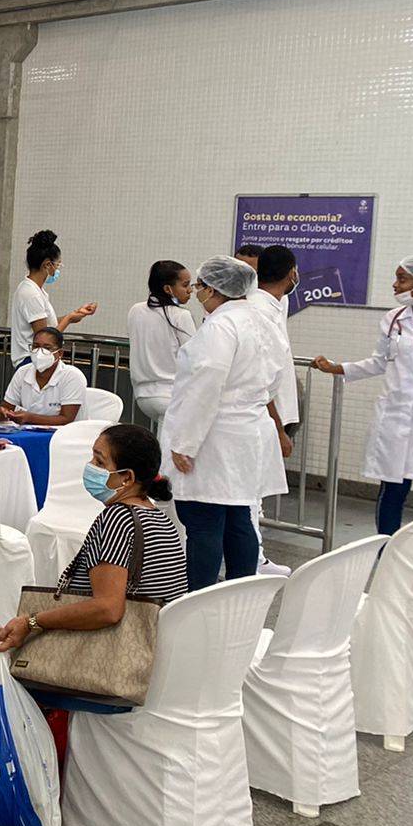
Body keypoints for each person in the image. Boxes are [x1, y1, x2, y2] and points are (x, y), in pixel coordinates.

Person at [0, 424, 185, 751]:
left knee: (2, 674)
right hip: (156, 659)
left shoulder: (117, 520)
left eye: (99, 461)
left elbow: (107, 609)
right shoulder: (161, 519)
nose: (89, 468)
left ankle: (31, 779)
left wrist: (33, 622)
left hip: (112, 666)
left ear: (126, 478)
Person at [162, 256, 287, 590]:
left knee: (204, 523)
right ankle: (239, 596)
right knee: (238, 517)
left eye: (201, 286)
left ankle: (197, 600)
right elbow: (276, 379)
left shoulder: (221, 326)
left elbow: (206, 386)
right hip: (246, 433)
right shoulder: (262, 323)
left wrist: (184, 444)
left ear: (215, 290)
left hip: (214, 438)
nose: (198, 292)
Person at [311, 254, 413, 536]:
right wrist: (337, 368)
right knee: (393, 488)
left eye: (402, 279)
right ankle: (385, 550)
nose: (395, 285)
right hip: (397, 417)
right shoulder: (393, 320)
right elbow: (379, 362)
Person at [252, 246, 303, 578]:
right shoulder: (258, 312)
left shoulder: (273, 305)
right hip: (260, 413)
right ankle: (252, 559)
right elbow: (262, 379)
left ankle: (252, 556)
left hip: (267, 411)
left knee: (251, 493)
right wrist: (278, 425)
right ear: (291, 274)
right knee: (249, 494)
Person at [10, 229, 96, 365]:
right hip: (30, 361)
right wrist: (68, 319)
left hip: (35, 360)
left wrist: (74, 315)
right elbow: (45, 339)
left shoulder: (35, 291)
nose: (57, 270)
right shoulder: (31, 294)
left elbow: (47, 324)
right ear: (48, 265)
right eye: (58, 265)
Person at [127, 260, 196, 426]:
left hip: (143, 397)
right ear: (168, 289)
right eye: (185, 285)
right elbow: (194, 357)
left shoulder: (136, 310)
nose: (190, 290)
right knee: (171, 449)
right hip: (172, 395)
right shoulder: (181, 315)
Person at [0, 326, 85, 426]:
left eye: (47, 348)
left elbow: (66, 418)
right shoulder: (23, 372)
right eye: (36, 346)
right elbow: (7, 406)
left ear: (60, 353)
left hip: (61, 435)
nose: (40, 352)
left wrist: (29, 418)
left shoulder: (72, 376)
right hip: (27, 432)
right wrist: (3, 412)